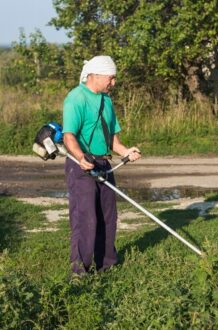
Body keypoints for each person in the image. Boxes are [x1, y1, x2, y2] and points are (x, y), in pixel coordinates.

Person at [62, 55, 141, 274]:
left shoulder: (107, 101)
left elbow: (113, 140)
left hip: (104, 163)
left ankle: (107, 266)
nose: (113, 83)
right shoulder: (76, 98)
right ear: (95, 75)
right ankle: (80, 271)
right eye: (111, 78)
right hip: (81, 164)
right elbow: (69, 137)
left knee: (108, 217)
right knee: (86, 218)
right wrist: (80, 158)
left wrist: (126, 151)